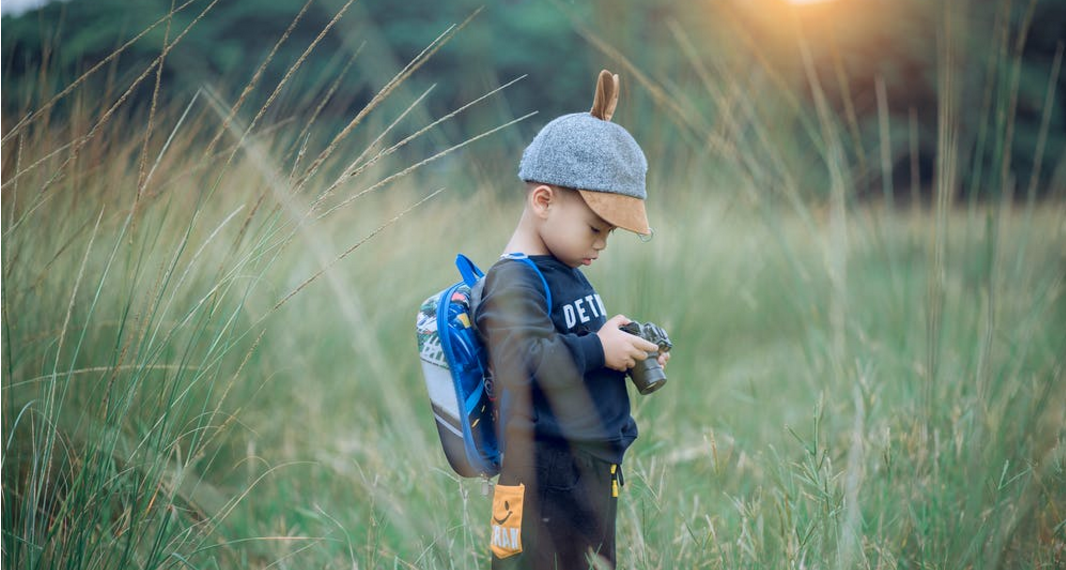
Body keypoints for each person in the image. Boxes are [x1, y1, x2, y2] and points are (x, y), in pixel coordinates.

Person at [475, 70, 669, 569]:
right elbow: (524, 358)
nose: (601, 243)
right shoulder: (513, 281)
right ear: (543, 201)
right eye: (594, 228)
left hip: (585, 471)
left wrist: (621, 350)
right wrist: (597, 348)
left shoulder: (563, 267)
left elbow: (570, 346)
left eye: (609, 233)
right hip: (540, 475)